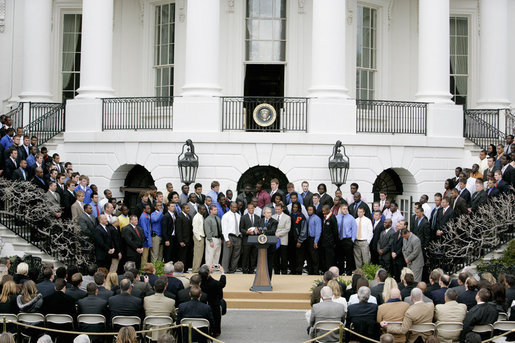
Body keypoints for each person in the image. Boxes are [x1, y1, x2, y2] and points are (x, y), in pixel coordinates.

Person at [199, 264, 226, 338]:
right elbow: (222, 284)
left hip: (203, 304)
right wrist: (222, 272)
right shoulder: (215, 284)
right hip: (214, 305)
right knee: (218, 308)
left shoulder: (199, 283)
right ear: (208, 273)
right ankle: (216, 331)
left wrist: (207, 270)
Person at [239, 203, 260, 274]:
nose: (251, 209)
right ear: (247, 209)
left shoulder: (258, 217)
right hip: (246, 240)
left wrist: (258, 230)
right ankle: (245, 270)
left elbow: (259, 228)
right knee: (245, 255)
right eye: (249, 208)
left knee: (254, 256)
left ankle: (252, 270)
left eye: (252, 208)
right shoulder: (243, 217)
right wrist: (247, 232)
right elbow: (241, 229)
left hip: (255, 240)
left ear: (254, 208)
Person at [221, 202, 242, 274]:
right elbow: (224, 229)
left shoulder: (239, 216)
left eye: (236, 207)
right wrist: (227, 240)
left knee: (236, 255)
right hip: (230, 236)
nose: (235, 209)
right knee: (227, 254)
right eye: (233, 207)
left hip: (238, 237)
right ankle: (225, 270)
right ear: (230, 207)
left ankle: (233, 270)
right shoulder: (226, 216)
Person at [336, 204, 357, 275]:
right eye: (344, 209)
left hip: (347, 239)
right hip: (339, 240)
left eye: (346, 209)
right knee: (340, 257)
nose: (345, 210)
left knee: (349, 258)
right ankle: (341, 272)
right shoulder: (337, 217)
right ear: (341, 209)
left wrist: (352, 240)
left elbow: (354, 229)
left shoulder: (351, 218)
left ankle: (348, 272)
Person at [289, 202, 308, 275]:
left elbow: (303, 230)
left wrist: (300, 241)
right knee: (291, 256)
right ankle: (292, 270)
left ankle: (299, 270)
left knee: (299, 256)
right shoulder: (290, 216)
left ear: (299, 208)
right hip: (291, 240)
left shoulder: (301, 217)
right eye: (293, 207)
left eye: (296, 207)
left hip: (299, 240)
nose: (294, 209)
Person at [273, 203, 291, 275]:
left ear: (282, 209)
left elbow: (287, 229)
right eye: (276, 209)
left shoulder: (287, 217)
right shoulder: (273, 216)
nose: (277, 210)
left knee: (284, 257)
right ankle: (276, 272)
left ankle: (284, 272)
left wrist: (278, 234)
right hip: (275, 240)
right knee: (276, 257)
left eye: (278, 209)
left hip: (283, 239)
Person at [305, 205, 322, 275]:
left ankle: (316, 272)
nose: (309, 211)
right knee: (308, 256)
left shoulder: (317, 218)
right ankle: (310, 271)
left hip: (314, 239)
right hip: (308, 239)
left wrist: (316, 241)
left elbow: (318, 231)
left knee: (314, 256)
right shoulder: (308, 218)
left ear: (314, 210)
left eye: (311, 210)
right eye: (308, 210)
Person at [176, 204, 193, 269]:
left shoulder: (189, 216)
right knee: (182, 256)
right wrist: (181, 241)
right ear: (183, 209)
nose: (188, 209)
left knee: (187, 256)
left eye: (189, 208)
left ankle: (186, 268)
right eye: (187, 208)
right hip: (183, 240)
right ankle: (181, 269)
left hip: (188, 240)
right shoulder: (180, 217)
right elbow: (178, 230)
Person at [192, 205, 206, 272]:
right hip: (199, 237)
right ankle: (195, 269)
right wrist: (199, 238)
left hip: (201, 237)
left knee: (199, 255)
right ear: (199, 209)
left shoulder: (201, 216)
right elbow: (195, 229)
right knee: (197, 254)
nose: (204, 211)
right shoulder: (196, 217)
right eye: (202, 209)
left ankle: (196, 268)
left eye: (204, 209)